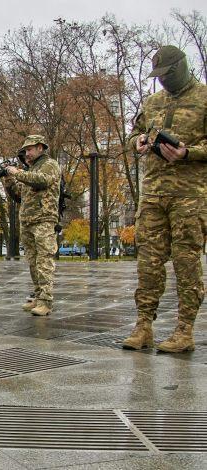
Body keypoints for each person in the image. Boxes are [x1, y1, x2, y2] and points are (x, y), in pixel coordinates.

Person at [122, 45, 207, 353]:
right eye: (158, 76)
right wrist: (139, 143)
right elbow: (134, 134)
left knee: (186, 262)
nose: (163, 82)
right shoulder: (152, 102)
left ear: (182, 68)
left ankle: (185, 330)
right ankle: (144, 325)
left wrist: (188, 153)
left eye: (167, 75)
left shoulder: (204, 98)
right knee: (148, 262)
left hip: (190, 196)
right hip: (153, 192)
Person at [4, 135, 61, 316]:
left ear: (40, 148)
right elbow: (19, 195)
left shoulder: (49, 165)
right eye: (25, 151)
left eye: (29, 150)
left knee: (44, 261)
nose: (26, 154)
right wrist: (7, 178)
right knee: (33, 261)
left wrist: (17, 173)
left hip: (44, 219)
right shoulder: (30, 170)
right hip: (28, 220)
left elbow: (42, 180)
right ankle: (38, 296)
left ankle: (46, 300)